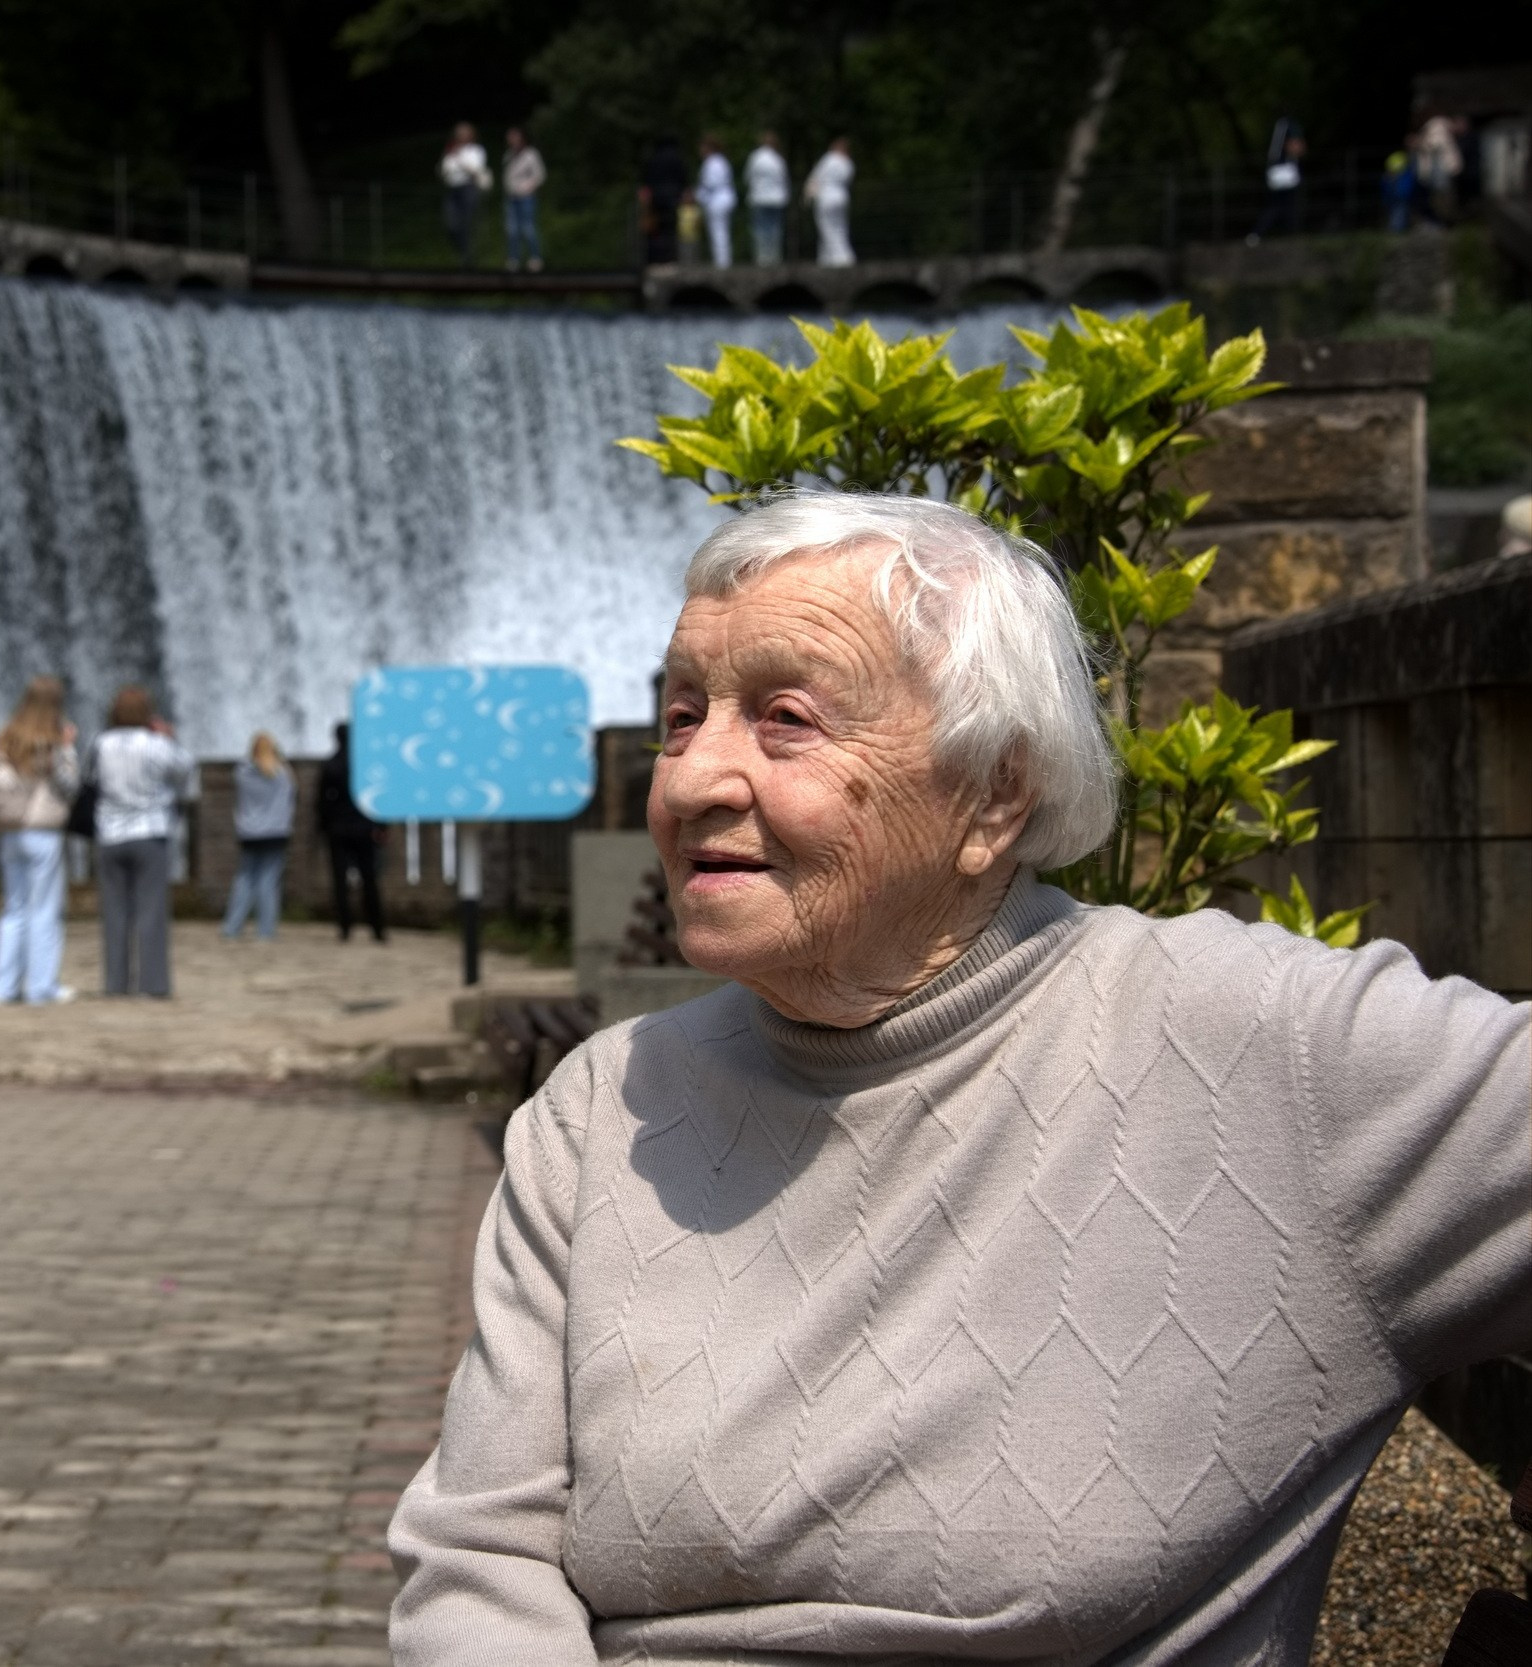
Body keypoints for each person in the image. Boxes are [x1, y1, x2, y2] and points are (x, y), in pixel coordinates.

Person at [387, 492, 1530, 1663]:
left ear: (992, 793)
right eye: (682, 717)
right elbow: (482, 1550)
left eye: (786, 719)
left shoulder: (1268, 1051)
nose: (689, 783)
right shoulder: (601, 1105)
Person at [0, 676, 80, 1005]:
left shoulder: (6, 737)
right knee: (44, 910)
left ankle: (3, 987)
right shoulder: (53, 739)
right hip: (43, 832)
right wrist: (68, 748)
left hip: (11, 832)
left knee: (14, 910)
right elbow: (69, 787)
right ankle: (41, 987)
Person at [92, 684, 192, 998]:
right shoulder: (156, 745)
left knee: (114, 914)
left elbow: (91, 781)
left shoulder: (101, 744)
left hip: (110, 834)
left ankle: (116, 984)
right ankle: (153, 984)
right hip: (150, 831)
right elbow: (184, 771)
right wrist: (169, 738)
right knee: (151, 911)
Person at [220, 731, 296, 942]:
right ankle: (265, 930)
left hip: (249, 831)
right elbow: (291, 796)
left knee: (244, 879)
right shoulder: (282, 774)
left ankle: (232, 927)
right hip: (276, 831)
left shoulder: (241, 772)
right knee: (268, 881)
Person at [316, 722, 386, 944]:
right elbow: (377, 797)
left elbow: (322, 801)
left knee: (340, 880)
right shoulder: (365, 764)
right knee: (369, 879)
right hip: (365, 829)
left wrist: (323, 827)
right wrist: (382, 826)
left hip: (338, 830)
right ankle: (377, 929)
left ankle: (345, 928)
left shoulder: (330, 765)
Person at [440, 123, 493, 267]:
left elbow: (476, 169)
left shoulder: (476, 150)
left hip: (468, 188)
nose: (460, 136)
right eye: (458, 133)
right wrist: (451, 160)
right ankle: (462, 252)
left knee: (466, 223)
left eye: (463, 133)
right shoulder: (451, 151)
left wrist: (460, 160)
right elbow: (444, 170)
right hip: (453, 189)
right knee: (451, 224)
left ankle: (468, 258)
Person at [1248, 118, 1303, 243]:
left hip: (1278, 174)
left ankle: (1259, 234)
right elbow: (1296, 148)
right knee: (1278, 206)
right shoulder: (1288, 127)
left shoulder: (1279, 128)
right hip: (1283, 174)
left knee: (1283, 206)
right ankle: (1258, 233)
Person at [636, 137, 688, 267]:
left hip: (656, 199)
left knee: (655, 230)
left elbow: (645, 180)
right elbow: (683, 179)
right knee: (671, 229)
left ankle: (654, 259)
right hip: (673, 198)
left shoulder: (653, 159)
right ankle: (670, 258)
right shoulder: (677, 158)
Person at [803, 135, 854, 266]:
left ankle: (839, 257)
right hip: (842, 197)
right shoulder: (847, 163)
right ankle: (829, 257)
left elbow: (815, 178)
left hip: (826, 197)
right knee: (840, 227)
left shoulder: (828, 159)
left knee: (826, 228)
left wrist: (808, 196)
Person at [502, 127, 546, 273]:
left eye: (514, 137)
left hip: (526, 197)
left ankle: (535, 258)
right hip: (511, 197)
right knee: (512, 229)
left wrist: (528, 187)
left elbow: (540, 175)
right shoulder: (509, 155)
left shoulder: (531, 154)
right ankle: (513, 259)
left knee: (528, 228)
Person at [743, 129, 788, 263]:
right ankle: (774, 257)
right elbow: (784, 180)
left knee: (760, 228)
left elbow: (747, 177)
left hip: (759, 198)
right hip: (777, 199)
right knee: (775, 229)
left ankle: (762, 258)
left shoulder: (755, 157)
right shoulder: (778, 159)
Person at [696, 135, 736, 269]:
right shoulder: (722, 161)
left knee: (718, 232)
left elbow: (710, 183)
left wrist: (699, 194)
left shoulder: (712, 162)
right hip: (724, 198)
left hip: (717, 200)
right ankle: (723, 261)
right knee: (722, 232)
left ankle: (722, 263)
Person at [1384, 139, 1418, 232]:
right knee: (1399, 211)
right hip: (1399, 192)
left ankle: (1398, 229)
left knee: (1400, 211)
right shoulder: (1403, 158)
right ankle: (1397, 229)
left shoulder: (1405, 158)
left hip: (1401, 192)